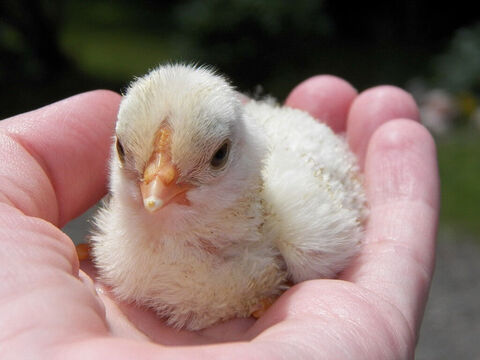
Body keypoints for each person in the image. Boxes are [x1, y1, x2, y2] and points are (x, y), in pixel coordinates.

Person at [0, 75, 439, 359]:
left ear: (241, 152)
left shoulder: (296, 218)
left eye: (214, 158)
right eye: (124, 154)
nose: (154, 188)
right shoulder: (113, 240)